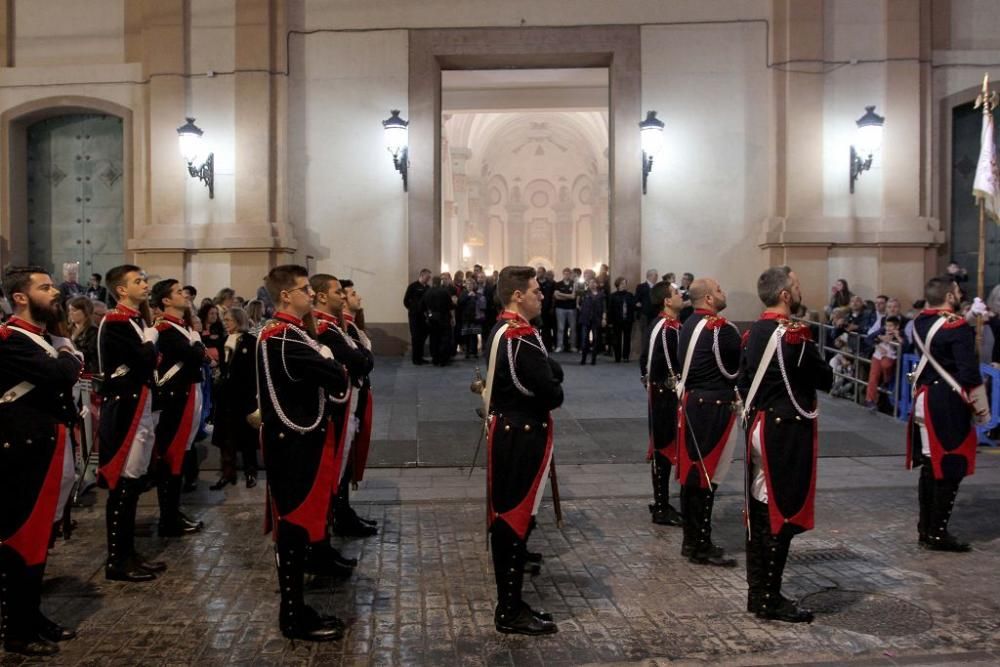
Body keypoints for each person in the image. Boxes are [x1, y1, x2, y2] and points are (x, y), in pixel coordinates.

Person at [257, 265, 349, 641]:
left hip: (295, 440)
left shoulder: (287, 334)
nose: (310, 294)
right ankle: (293, 616)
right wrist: (331, 362)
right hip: (295, 444)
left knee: (296, 529)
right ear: (285, 296)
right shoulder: (285, 338)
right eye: (304, 289)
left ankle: (296, 609)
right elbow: (338, 375)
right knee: (293, 530)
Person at [739, 266, 833, 623]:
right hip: (785, 432)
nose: (799, 289)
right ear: (784, 295)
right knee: (783, 511)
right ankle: (770, 598)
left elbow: (744, 380)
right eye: (795, 285)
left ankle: (758, 593)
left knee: (762, 510)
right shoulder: (795, 336)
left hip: (760, 427)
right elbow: (823, 377)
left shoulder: (753, 332)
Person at [0, 266, 83, 656]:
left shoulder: (41, 337)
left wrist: (64, 349)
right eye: (45, 287)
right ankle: (16, 631)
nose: (54, 293)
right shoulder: (10, 339)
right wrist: (69, 351)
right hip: (25, 450)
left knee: (41, 538)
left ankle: (31, 616)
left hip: (48, 445)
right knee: (23, 538)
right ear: (20, 297)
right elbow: (60, 374)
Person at [483, 265, 562, 635]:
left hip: (510, 429)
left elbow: (548, 370)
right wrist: (553, 381)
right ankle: (509, 610)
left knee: (513, 518)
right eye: (535, 290)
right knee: (513, 519)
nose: (541, 295)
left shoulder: (504, 329)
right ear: (517, 295)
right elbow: (551, 391)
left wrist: (550, 372)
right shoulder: (522, 337)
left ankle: (512, 603)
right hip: (522, 433)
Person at [907, 276, 990, 552]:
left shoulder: (920, 322)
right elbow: (968, 372)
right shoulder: (958, 328)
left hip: (925, 396)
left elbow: (940, 332)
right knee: (951, 463)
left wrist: (965, 318)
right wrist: (981, 408)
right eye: (956, 291)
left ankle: (926, 529)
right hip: (948, 400)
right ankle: (938, 532)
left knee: (932, 464)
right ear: (950, 297)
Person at [97, 264, 166, 583]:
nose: (145, 284)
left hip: (141, 405)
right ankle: (117, 559)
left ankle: (128, 552)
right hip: (126, 410)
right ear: (121, 290)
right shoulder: (115, 323)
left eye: (145, 278)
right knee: (123, 485)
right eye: (138, 281)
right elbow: (143, 359)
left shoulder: (135, 320)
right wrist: (152, 339)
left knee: (134, 482)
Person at [309, 273, 376, 579]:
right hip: (334, 411)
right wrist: (362, 354)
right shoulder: (325, 329)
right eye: (340, 292)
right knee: (330, 476)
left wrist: (362, 354)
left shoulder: (336, 327)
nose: (348, 297)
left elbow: (362, 359)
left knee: (340, 472)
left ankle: (328, 539)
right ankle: (320, 548)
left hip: (346, 405)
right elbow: (360, 361)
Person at [675, 278, 741, 568]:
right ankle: (701, 544)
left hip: (692, 404)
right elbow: (737, 370)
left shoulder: (687, 324)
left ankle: (692, 540)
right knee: (707, 477)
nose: (723, 292)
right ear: (710, 300)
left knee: (692, 475)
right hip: (714, 408)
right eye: (719, 289)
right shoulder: (722, 330)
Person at [149, 279, 206, 537]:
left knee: (180, 454)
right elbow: (195, 356)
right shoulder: (165, 328)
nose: (184, 294)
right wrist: (196, 340)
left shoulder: (180, 327)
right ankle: (168, 518)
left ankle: (173, 511)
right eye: (178, 292)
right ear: (166, 301)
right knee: (171, 456)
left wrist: (195, 342)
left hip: (189, 392)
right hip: (176, 397)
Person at [638, 280, 683, 527]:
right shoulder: (666, 328)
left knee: (664, 448)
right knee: (663, 449)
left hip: (662, 394)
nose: (680, 295)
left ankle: (663, 502)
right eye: (676, 293)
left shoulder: (667, 325)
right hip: (665, 397)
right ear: (667, 300)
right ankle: (661, 506)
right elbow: (671, 366)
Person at [340, 280, 379, 531]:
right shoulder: (341, 328)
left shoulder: (351, 326)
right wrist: (366, 359)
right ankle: (341, 514)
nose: (359, 297)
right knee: (343, 459)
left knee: (349, 457)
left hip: (358, 394)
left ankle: (343, 511)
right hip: (348, 400)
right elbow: (362, 361)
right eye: (353, 293)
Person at [210, 307, 260, 490]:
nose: (225, 323)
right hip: (226, 397)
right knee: (227, 438)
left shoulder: (251, 341)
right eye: (225, 320)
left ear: (239, 321)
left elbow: (254, 370)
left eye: (229, 319)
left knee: (247, 437)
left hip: (244, 395)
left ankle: (250, 472)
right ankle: (227, 473)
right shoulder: (223, 341)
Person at [864, 315, 902, 411]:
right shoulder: (882, 331)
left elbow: (905, 346)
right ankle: (869, 400)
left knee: (886, 365)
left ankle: (886, 380)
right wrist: (878, 344)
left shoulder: (900, 333)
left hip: (890, 356)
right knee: (873, 376)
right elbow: (868, 338)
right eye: (886, 325)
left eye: (890, 326)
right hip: (877, 355)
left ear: (897, 327)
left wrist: (897, 337)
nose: (888, 328)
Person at [422, 275, 454, 366]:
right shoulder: (445, 292)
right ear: (440, 282)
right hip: (444, 318)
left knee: (434, 338)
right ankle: (443, 360)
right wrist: (452, 317)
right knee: (444, 339)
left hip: (432, 319)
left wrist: (428, 315)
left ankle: (435, 359)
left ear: (432, 282)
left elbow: (423, 306)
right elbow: (450, 306)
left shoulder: (427, 292)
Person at [403, 269, 432, 365]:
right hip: (415, 317)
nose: (429, 279)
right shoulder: (413, 287)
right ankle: (415, 359)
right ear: (422, 275)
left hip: (424, 317)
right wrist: (413, 309)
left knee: (423, 337)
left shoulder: (428, 288)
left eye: (429, 277)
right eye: (427, 277)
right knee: (416, 337)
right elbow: (406, 301)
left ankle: (420, 357)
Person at [67, 296, 99, 374]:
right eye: (69, 310)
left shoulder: (94, 331)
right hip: (69, 371)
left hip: (86, 373)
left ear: (85, 311)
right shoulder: (67, 330)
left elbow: (89, 356)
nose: (70, 313)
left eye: (74, 310)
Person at [608, 277, 636, 362]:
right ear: (618, 285)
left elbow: (633, 307)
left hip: (627, 320)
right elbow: (610, 309)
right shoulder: (613, 296)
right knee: (617, 339)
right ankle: (617, 357)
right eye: (622, 283)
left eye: (625, 283)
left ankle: (626, 356)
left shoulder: (630, 295)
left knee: (627, 339)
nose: (624, 285)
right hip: (617, 320)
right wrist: (610, 321)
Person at [578, 278, 605, 365]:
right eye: (590, 283)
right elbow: (579, 303)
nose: (592, 284)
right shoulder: (584, 293)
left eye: (594, 282)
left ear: (597, 284)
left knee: (595, 339)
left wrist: (604, 318)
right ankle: (583, 359)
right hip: (586, 319)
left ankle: (593, 359)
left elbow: (604, 308)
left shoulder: (601, 295)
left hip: (596, 319)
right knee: (584, 339)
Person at [553, 268, 577, 353]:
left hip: (571, 308)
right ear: (563, 274)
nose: (567, 275)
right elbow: (556, 296)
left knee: (573, 328)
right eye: (565, 273)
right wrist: (568, 296)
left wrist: (561, 295)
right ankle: (560, 346)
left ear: (570, 274)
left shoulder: (573, 284)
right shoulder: (558, 284)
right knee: (561, 328)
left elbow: (573, 296)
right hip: (560, 308)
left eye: (568, 274)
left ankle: (573, 346)